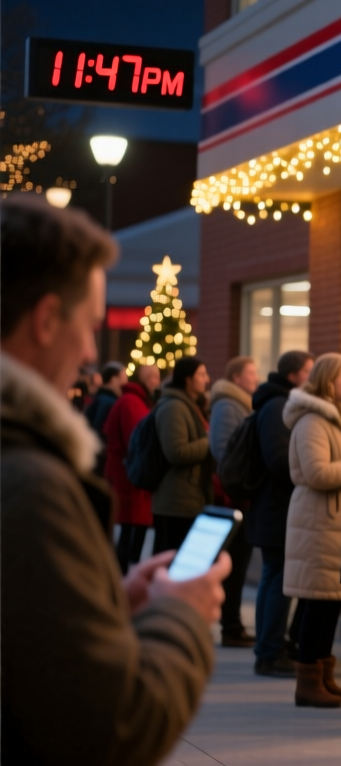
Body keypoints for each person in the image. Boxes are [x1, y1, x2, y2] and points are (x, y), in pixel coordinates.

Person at [1, 194, 230, 765]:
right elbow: (118, 727)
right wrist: (179, 612)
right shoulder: (30, 484)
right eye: (88, 327)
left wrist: (109, 605)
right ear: (47, 318)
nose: (87, 351)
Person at [281, 352, 341, 709]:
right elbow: (316, 474)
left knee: (328, 606)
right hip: (317, 523)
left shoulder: (334, 418)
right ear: (329, 381)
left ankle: (323, 676)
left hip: (328, 524)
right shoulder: (313, 421)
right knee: (317, 606)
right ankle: (307, 683)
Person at [250, 350, 314, 677]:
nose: (312, 378)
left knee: (273, 580)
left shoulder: (274, 402)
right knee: (278, 582)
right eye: (308, 371)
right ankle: (270, 652)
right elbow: (278, 461)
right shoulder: (278, 406)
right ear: (294, 375)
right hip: (277, 507)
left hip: (272, 506)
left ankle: (269, 649)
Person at [208, 356, 259, 647]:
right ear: (237, 377)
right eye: (250, 372)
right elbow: (224, 450)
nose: (255, 377)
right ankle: (230, 625)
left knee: (239, 563)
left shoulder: (239, 403)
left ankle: (234, 623)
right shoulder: (229, 405)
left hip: (238, 496)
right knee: (235, 563)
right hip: (233, 497)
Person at [152, 357, 213, 555]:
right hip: (175, 502)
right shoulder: (174, 407)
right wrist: (210, 441)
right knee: (170, 562)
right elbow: (176, 452)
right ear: (187, 379)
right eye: (202, 375)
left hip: (188, 498)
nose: (207, 379)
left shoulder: (190, 406)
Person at [104, 363, 161, 572]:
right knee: (127, 546)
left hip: (129, 482)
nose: (157, 381)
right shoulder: (131, 402)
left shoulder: (135, 401)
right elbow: (137, 443)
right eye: (152, 377)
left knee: (129, 543)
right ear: (143, 380)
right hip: (129, 484)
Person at [84, 361, 125, 460]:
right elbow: (100, 434)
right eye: (123, 378)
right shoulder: (108, 402)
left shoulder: (98, 398)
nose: (125, 383)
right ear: (113, 379)